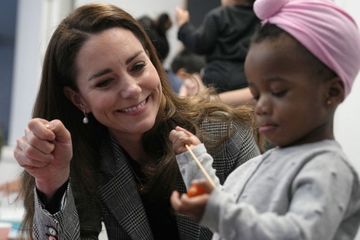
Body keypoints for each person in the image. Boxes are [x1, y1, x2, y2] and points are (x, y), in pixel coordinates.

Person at [13, 3, 260, 239]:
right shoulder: (82, 157)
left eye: (138, 66)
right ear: (79, 100)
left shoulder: (227, 135)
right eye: (105, 82)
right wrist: (51, 181)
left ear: (153, 61)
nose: (131, 89)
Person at [169, 0, 360, 239]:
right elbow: (231, 214)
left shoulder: (329, 169)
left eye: (278, 91)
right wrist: (194, 160)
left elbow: (295, 235)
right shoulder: (258, 165)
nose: (260, 107)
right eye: (256, 94)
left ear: (331, 92)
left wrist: (219, 213)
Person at [175, 0, 259, 94]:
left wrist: (183, 25)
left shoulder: (218, 16)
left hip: (217, 79)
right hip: (246, 79)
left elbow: (199, 44)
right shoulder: (260, 18)